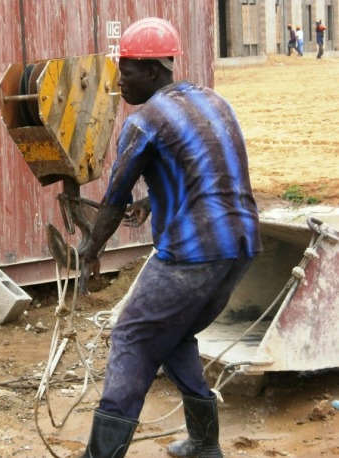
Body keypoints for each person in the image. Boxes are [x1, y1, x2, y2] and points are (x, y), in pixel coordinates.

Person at [78, 17, 262, 458]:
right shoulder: (216, 102)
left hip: (192, 254)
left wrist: (89, 252)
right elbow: (205, 174)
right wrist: (156, 202)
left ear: (154, 72)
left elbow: (113, 199)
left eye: (126, 72)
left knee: (134, 336)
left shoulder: (145, 121)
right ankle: (203, 444)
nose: (119, 82)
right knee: (174, 335)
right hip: (241, 246)